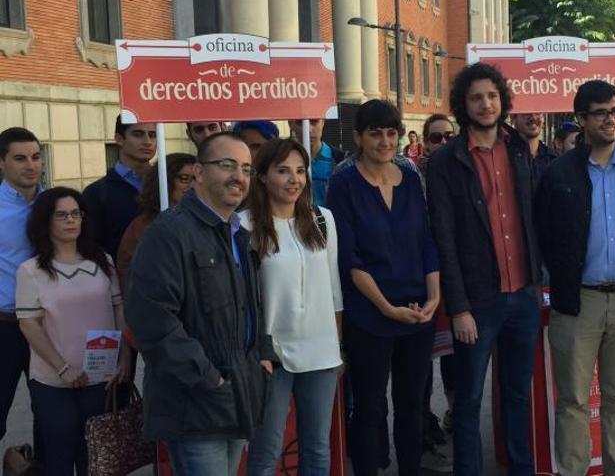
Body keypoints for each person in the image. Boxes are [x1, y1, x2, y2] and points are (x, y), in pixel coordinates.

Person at [126, 132, 272, 476]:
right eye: (227, 165)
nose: (239, 176)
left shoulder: (237, 232)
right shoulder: (170, 233)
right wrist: (209, 380)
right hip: (195, 401)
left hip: (238, 392)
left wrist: (262, 358)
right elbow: (153, 321)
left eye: (247, 168)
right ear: (199, 173)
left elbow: (252, 306)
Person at [535, 81, 615, 476]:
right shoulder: (558, 173)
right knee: (571, 400)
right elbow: (545, 233)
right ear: (582, 119)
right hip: (578, 301)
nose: (610, 119)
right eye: (601, 112)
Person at [426, 63, 542, 476]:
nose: (486, 104)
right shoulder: (445, 161)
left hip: (523, 296)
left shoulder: (518, 150)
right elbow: (444, 237)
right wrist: (458, 308)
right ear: (464, 104)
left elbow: (532, 218)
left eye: (492, 96)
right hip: (478, 301)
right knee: (469, 400)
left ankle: (520, 468)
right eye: (476, 97)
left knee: (517, 394)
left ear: (502, 100)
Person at [326, 100, 440, 476]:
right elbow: (350, 257)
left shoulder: (410, 179)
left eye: (391, 132)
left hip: (417, 310)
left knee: (412, 404)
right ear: (359, 136)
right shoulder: (343, 183)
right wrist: (387, 308)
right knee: (371, 407)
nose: (385, 140)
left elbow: (426, 243)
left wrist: (434, 297)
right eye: (375, 132)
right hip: (369, 313)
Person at [242, 138, 342, 475]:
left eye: (300, 171)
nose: (293, 179)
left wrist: (338, 346)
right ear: (263, 176)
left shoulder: (322, 220)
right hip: (272, 355)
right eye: (282, 170)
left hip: (321, 349)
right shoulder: (244, 226)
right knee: (265, 449)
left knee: (316, 447)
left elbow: (334, 290)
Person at [16, 187, 130, 475]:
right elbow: (29, 324)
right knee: (60, 456)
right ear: (46, 221)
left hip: (101, 378)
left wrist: (124, 359)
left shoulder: (102, 261)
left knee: (96, 458)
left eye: (76, 214)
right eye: (62, 215)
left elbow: (119, 310)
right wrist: (63, 368)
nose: (71, 220)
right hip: (54, 381)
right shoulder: (31, 271)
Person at [417, 113, 456, 473]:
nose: (442, 144)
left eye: (449, 137)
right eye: (435, 138)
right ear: (424, 143)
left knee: (455, 360)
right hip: (422, 285)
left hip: (457, 285)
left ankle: (453, 416)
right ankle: (424, 430)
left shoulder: (463, 172)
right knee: (420, 372)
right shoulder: (413, 179)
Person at [0, 127, 42, 443]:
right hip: (5, 327)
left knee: (50, 416)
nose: (30, 165)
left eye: (36, 157)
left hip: (49, 326)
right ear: (2, 163)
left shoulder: (56, 205)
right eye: (20, 158)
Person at [116, 153, 197, 288]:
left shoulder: (205, 221)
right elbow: (128, 274)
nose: (191, 185)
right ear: (165, 180)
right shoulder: (143, 227)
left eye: (196, 179)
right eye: (184, 179)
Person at [82, 116, 156, 262]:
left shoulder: (169, 185)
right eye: (138, 134)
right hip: (118, 278)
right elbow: (91, 247)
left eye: (152, 135)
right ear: (119, 139)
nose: (147, 142)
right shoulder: (96, 193)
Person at [289, 118, 345, 207]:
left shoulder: (342, 161)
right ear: (290, 124)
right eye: (300, 123)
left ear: (323, 122)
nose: (308, 129)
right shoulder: (283, 162)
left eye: (314, 121)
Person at [512, 112, 557, 181]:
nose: (533, 118)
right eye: (526, 112)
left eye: (538, 113)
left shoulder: (553, 159)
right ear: (514, 118)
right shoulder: (506, 157)